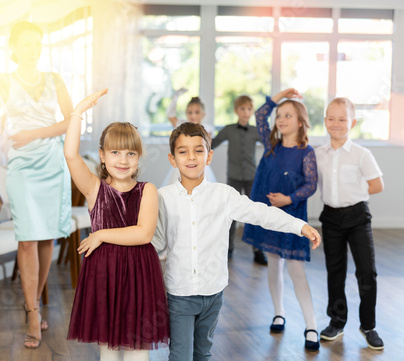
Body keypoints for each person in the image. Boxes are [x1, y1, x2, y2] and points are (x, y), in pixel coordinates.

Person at [152, 122, 322, 360]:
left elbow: (261, 213)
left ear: (209, 156)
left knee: (203, 353)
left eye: (198, 150)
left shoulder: (224, 195)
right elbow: (152, 240)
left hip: (213, 292)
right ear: (173, 159)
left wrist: (299, 226)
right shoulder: (162, 198)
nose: (191, 157)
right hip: (179, 294)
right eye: (183, 151)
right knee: (180, 355)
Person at [0, 10, 73, 349]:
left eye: (37, 43)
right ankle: (31, 312)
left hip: (52, 164)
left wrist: (35, 133)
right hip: (23, 169)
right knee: (27, 239)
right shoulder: (4, 81)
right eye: (26, 44)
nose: (33, 49)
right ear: (14, 47)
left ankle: (34, 304)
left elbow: (71, 121)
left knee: (44, 240)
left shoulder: (55, 79)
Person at [65, 89, 170, 361]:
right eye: (115, 152)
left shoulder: (148, 190)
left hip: (139, 272)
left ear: (138, 158)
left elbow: (144, 234)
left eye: (130, 153)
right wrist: (77, 113)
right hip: (104, 273)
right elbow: (70, 155)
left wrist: (100, 234)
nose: (123, 160)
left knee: (138, 349)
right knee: (108, 350)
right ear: (102, 155)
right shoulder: (93, 188)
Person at [242, 89, 320, 351]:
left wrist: (288, 199)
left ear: (300, 122)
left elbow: (311, 185)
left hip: (294, 216)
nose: (281, 119)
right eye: (280, 116)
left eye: (288, 115)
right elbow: (260, 115)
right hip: (270, 218)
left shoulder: (306, 152)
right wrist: (280, 96)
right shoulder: (270, 145)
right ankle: (279, 312)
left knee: (296, 271)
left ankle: (311, 325)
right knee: (274, 264)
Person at [315, 97, 384, 350]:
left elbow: (377, 185)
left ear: (352, 123)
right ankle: (337, 321)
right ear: (325, 122)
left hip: (357, 218)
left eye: (342, 119)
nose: (336, 124)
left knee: (367, 272)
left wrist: (353, 191)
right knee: (335, 273)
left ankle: (368, 325)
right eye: (331, 119)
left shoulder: (361, 154)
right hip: (331, 218)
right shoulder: (318, 155)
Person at [212, 95, 267, 263]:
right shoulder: (228, 129)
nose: (246, 112)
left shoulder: (255, 131)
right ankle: (228, 248)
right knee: (231, 214)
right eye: (242, 108)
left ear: (252, 112)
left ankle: (258, 250)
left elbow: (271, 144)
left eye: (249, 109)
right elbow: (211, 143)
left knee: (254, 213)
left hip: (252, 177)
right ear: (236, 110)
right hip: (234, 177)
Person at [163, 88, 216, 185]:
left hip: (199, 164)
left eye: (196, 112)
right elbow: (170, 115)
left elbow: (206, 149)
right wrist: (176, 97)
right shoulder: (181, 124)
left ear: (203, 114)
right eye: (189, 112)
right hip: (183, 163)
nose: (193, 115)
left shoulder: (207, 130)